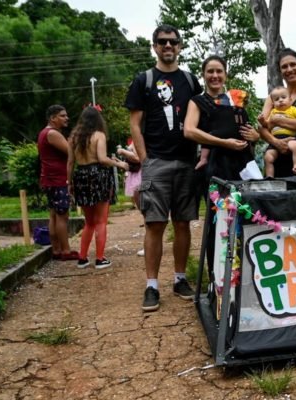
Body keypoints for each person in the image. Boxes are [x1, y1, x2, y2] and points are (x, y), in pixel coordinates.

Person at [124, 24, 203, 312]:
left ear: (180, 46)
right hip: (156, 161)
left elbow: (202, 115)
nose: (167, 46)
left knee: (183, 222)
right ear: (154, 46)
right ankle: (152, 285)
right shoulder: (143, 80)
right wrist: (144, 159)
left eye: (172, 42)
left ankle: (180, 278)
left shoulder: (190, 80)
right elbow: (134, 123)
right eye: (162, 42)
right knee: (155, 223)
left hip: (186, 162)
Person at [67, 107, 129, 269]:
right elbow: (102, 159)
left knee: (89, 222)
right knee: (101, 221)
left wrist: (69, 183)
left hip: (80, 176)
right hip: (98, 176)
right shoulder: (99, 135)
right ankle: (100, 259)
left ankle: (82, 258)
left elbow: (70, 163)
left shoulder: (73, 138)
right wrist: (119, 163)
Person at [184, 55, 259, 182]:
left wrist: (255, 137)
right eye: (210, 71)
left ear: (226, 75)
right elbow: (189, 131)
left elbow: (247, 131)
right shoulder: (197, 101)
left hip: (243, 165)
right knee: (221, 202)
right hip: (215, 165)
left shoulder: (236, 100)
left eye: (219, 71)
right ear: (203, 75)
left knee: (246, 201)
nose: (215, 75)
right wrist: (224, 142)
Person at [258, 48, 296, 177]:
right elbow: (262, 128)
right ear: (280, 72)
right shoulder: (272, 97)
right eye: (284, 67)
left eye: (293, 64)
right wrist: (277, 143)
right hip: (276, 159)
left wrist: (277, 120)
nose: (289, 69)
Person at [36, 105, 80, 261]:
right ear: (52, 118)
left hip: (49, 179)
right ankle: (66, 251)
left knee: (54, 215)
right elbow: (71, 152)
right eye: (62, 115)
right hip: (58, 179)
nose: (66, 118)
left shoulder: (44, 133)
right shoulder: (53, 133)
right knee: (62, 215)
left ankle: (56, 250)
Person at [264, 86, 296, 176]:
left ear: (290, 100)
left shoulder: (292, 110)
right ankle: (269, 177)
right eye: (277, 99)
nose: (280, 100)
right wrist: (262, 121)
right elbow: (265, 125)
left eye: (283, 98)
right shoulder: (273, 112)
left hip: (290, 137)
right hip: (275, 137)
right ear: (273, 103)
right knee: (268, 156)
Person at [116, 139, 145, 257]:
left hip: (141, 177)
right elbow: (133, 165)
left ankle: (149, 246)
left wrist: (122, 151)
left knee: (146, 213)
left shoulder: (140, 139)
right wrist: (117, 163)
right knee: (144, 213)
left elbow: (138, 158)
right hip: (136, 175)